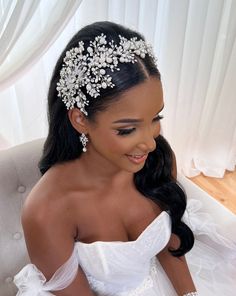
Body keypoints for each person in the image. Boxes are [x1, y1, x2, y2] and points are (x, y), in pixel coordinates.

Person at [14, 21, 236, 296]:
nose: (150, 141)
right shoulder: (47, 211)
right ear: (80, 119)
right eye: (127, 129)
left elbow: (171, 245)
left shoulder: (157, 160)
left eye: (155, 118)